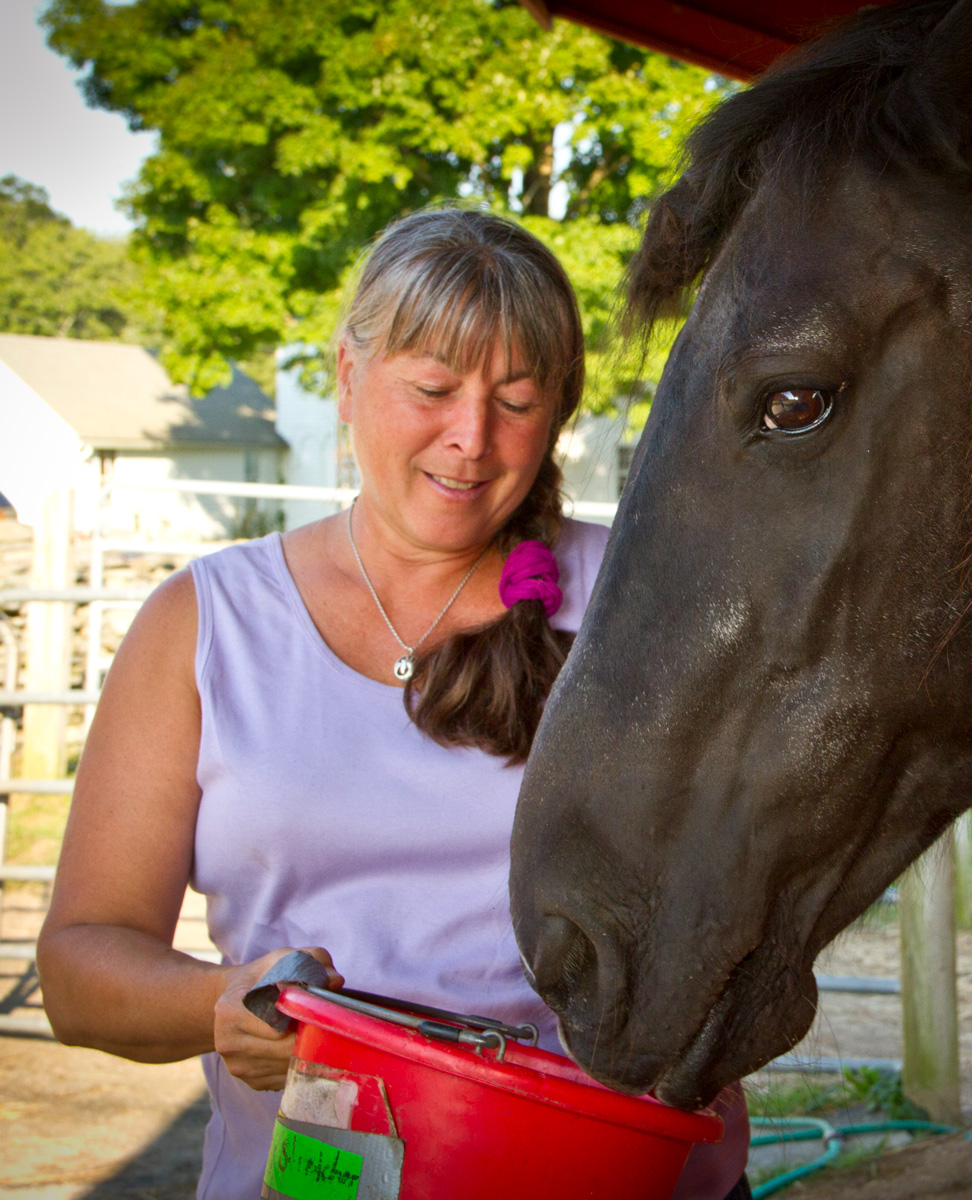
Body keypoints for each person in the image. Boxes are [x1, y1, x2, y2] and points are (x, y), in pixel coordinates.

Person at [36, 208, 750, 1200]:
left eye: (517, 400)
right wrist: (217, 1004)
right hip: (312, 1179)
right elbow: (79, 970)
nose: (471, 438)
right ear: (345, 372)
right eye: (432, 389)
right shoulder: (203, 622)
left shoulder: (645, 600)